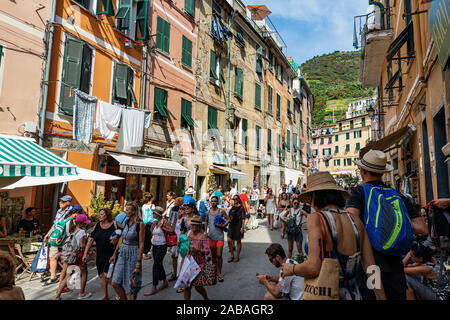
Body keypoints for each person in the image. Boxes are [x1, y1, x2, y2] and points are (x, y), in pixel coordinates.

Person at [281, 171, 386, 300]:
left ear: (315, 196)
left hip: (325, 294)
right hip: (354, 295)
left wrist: (291, 268)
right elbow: (371, 268)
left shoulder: (315, 219)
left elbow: (313, 267)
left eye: (310, 199)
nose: (310, 203)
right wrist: (381, 297)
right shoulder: (356, 220)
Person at [346, 150, 428, 300]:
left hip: (371, 267)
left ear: (363, 171)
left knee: (372, 296)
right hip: (396, 265)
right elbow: (422, 228)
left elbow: (350, 224)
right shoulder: (399, 196)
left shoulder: (359, 193)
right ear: (383, 172)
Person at [82, 208, 122, 300]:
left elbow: (123, 235)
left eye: (102, 214)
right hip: (99, 254)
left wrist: (116, 243)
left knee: (107, 275)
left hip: (111, 254)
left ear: (107, 215)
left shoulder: (115, 224)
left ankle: (118, 292)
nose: (99, 216)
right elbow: (91, 239)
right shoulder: (97, 225)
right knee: (101, 275)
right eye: (99, 214)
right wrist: (85, 253)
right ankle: (105, 295)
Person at [111, 202, 145, 300]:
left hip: (134, 253)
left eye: (127, 209)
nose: (125, 211)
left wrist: (139, 262)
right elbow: (122, 238)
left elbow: (141, 243)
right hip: (123, 253)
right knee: (115, 283)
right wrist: (114, 253)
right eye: (126, 209)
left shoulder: (140, 224)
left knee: (133, 286)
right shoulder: (126, 221)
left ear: (133, 211)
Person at [55, 213, 92, 300]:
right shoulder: (82, 232)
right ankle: (82, 293)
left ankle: (57, 296)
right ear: (82, 223)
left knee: (68, 275)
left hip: (71, 255)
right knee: (84, 273)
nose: (86, 224)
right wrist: (88, 250)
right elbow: (82, 245)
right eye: (85, 223)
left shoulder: (72, 230)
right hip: (79, 255)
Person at [42, 195, 74, 286]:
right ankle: (53, 277)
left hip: (66, 237)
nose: (60, 203)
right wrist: (48, 234)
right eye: (60, 201)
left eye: (62, 202)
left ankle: (66, 277)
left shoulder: (72, 212)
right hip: (55, 237)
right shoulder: (59, 211)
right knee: (52, 256)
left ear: (68, 203)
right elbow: (55, 224)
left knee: (66, 257)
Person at [144, 207, 174, 296]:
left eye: (153, 213)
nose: (152, 214)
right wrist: (153, 226)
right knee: (159, 264)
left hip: (162, 245)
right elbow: (151, 232)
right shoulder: (155, 222)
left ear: (157, 214)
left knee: (156, 265)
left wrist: (163, 227)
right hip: (155, 246)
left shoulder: (164, 222)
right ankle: (165, 282)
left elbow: (171, 231)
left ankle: (154, 286)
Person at [184, 215, 210, 300]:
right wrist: (180, 244)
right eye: (192, 224)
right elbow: (183, 245)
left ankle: (206, 298)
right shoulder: (187, 233)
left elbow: (207, 251)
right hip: (188, 263)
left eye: (196, 225)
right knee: (187, 286)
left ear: (199, 226)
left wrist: (197, 250)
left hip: (199, 264)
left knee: (198, 286)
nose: (193, 226)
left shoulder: (203, 236)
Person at [205, 195, 230, 282]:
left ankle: (219, 273)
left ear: (218, 202)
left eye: (215, 201)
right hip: (211, 237)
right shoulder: (208, 212)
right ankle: (214, 272)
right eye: (212, 201)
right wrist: (205, 232)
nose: (213, 202)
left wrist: (223, 225)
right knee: (213, 256)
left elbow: (228, 219)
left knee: (219, 255)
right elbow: (206, 222)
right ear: (210, 202)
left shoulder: (221, 211)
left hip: (219, 237)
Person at [167, 197, 183, 282]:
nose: (175, 202)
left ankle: (179, 274)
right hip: (174, 235)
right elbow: (170, 220)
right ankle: (174, 273)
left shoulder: (183, 213)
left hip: (181, 237)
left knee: (180, 256)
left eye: (177, 201)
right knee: (173, 255)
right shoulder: (173, 209)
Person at [227, 195, 245, 263]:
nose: (235, 200)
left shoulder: (241, 207)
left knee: (238, 241)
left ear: (238, 199)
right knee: (229, 240)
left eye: (236, 199)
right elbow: (230, 216)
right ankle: (232, 255)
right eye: (233, 199)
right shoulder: (232, 207)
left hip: (238, 225)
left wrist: (242, 227)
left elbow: (243, 218)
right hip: (231, 225)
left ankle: (237, 256)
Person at [141, 192, 155, 260]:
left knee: (145, 238)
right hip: (151, 224)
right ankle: (145, 254)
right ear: (151, 198)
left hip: (145, 223)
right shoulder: (153, 206)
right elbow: (153, 215)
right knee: (149, 238)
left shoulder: (143, 206)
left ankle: (143, 252)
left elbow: (143, 216)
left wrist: (143, 223)